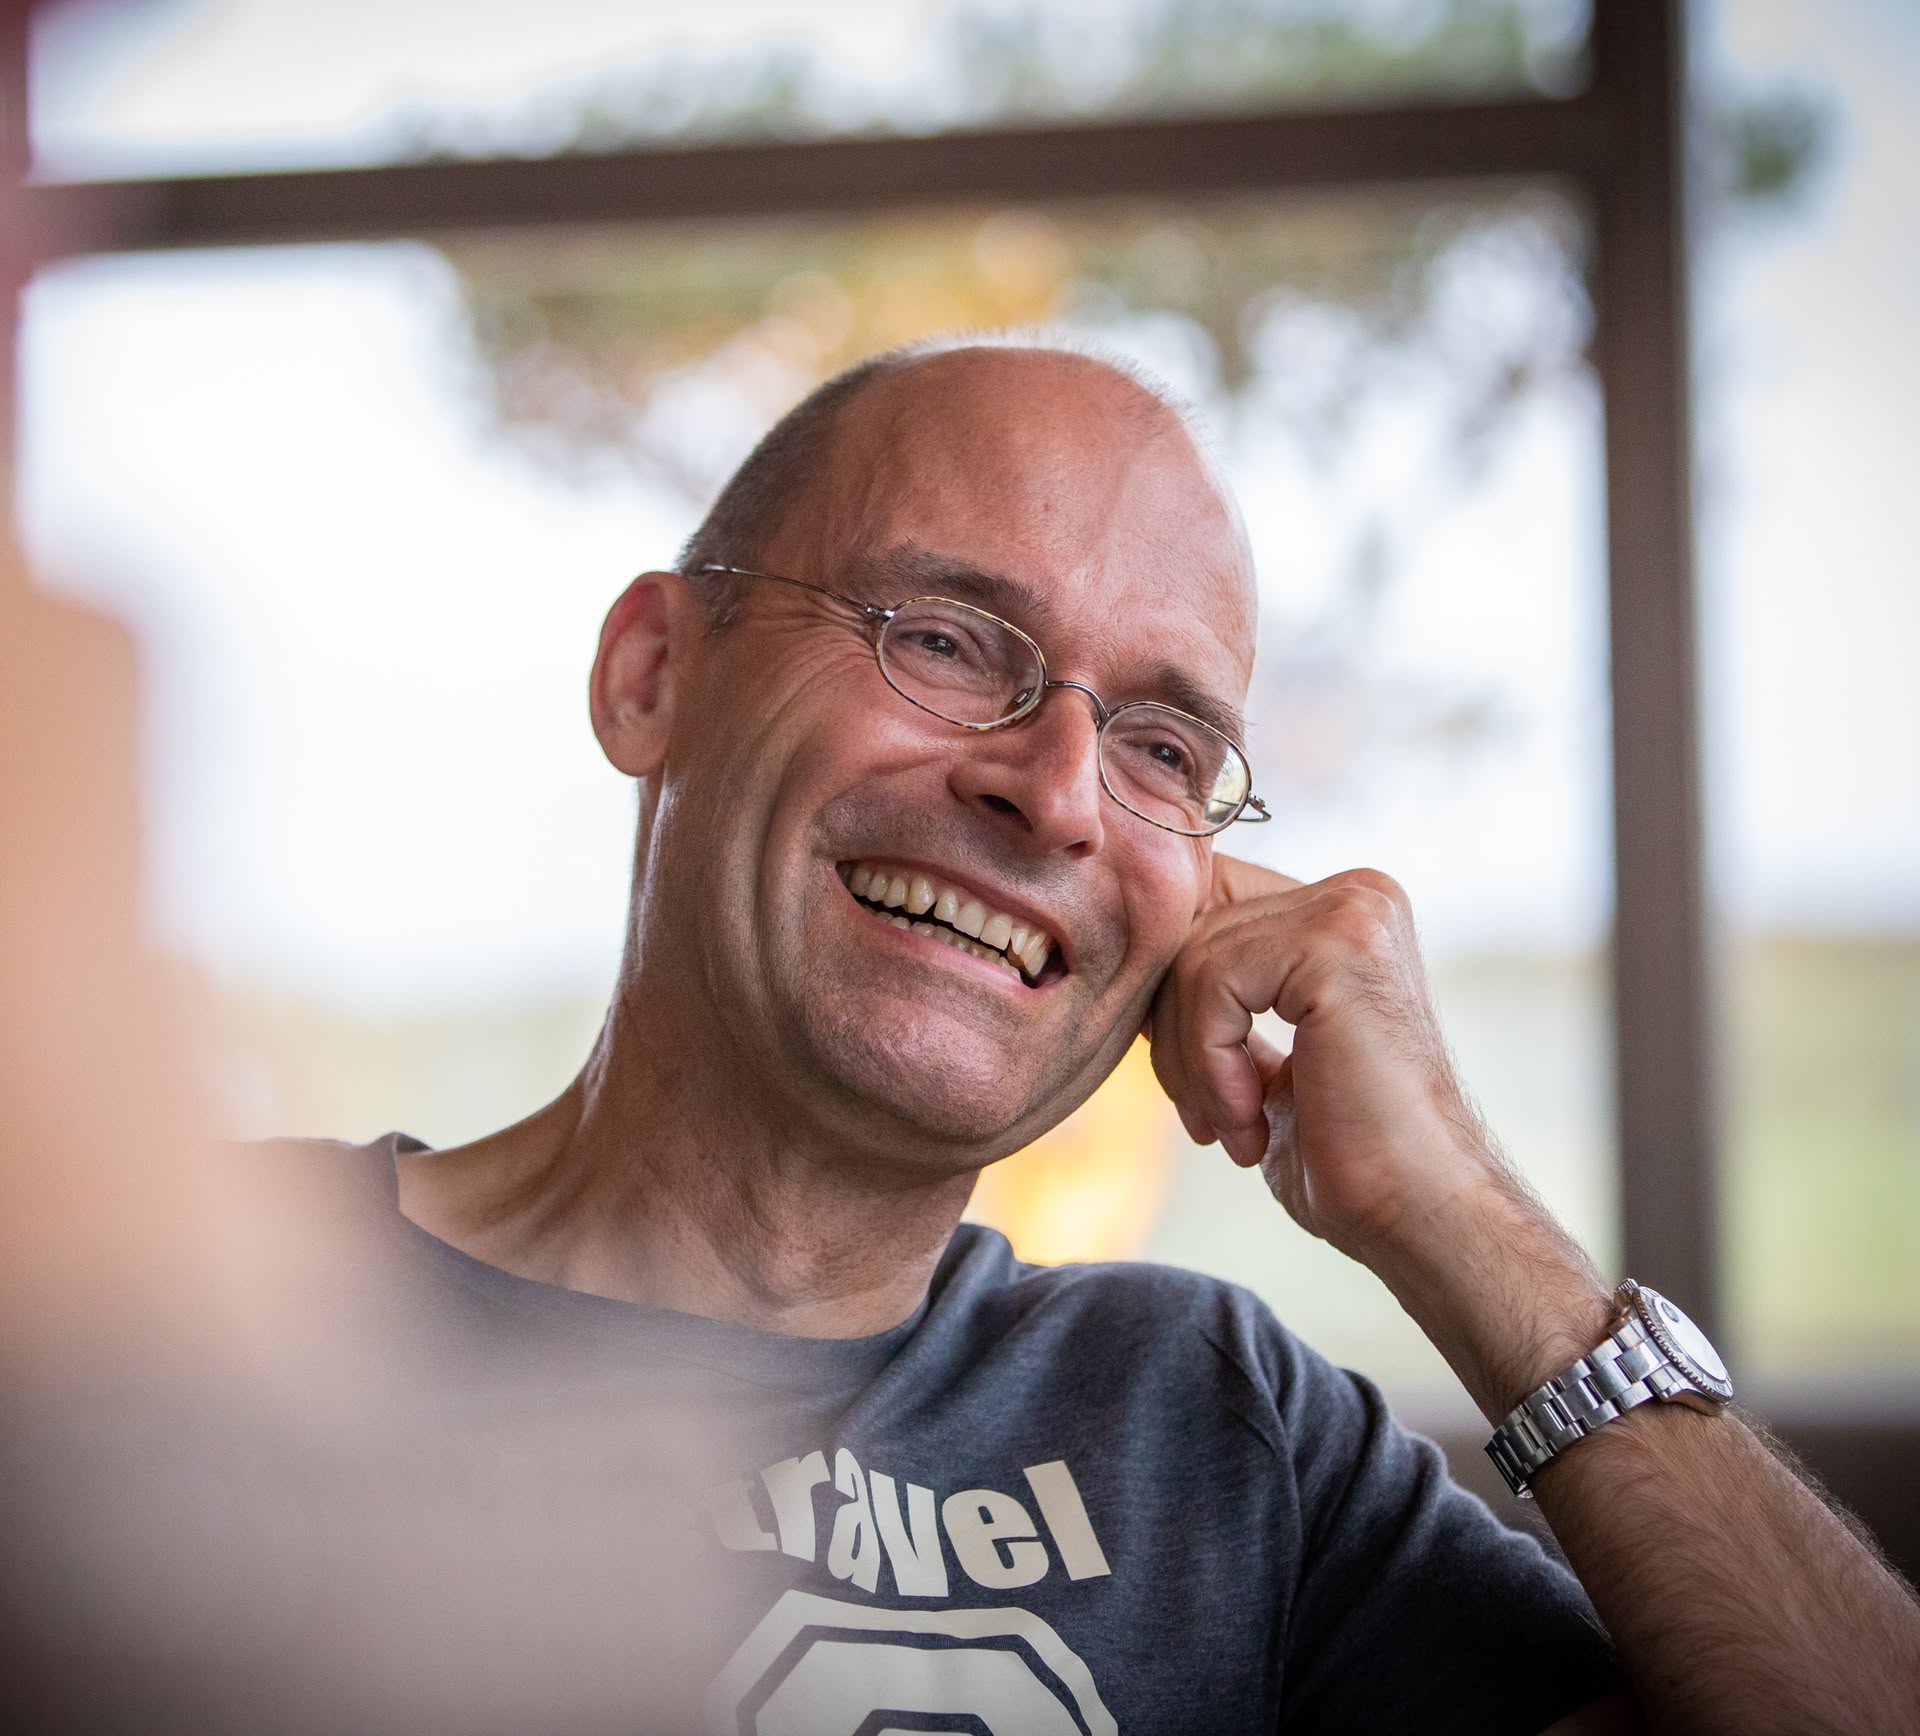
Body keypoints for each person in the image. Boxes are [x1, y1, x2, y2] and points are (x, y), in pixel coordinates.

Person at [360, 339, 1918, 1733]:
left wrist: (1453, 1208)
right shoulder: (228, 1311)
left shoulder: (1215, 1429)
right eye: (947, 639)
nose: (1055, 794)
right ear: (653, 674)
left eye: (1165, 748)